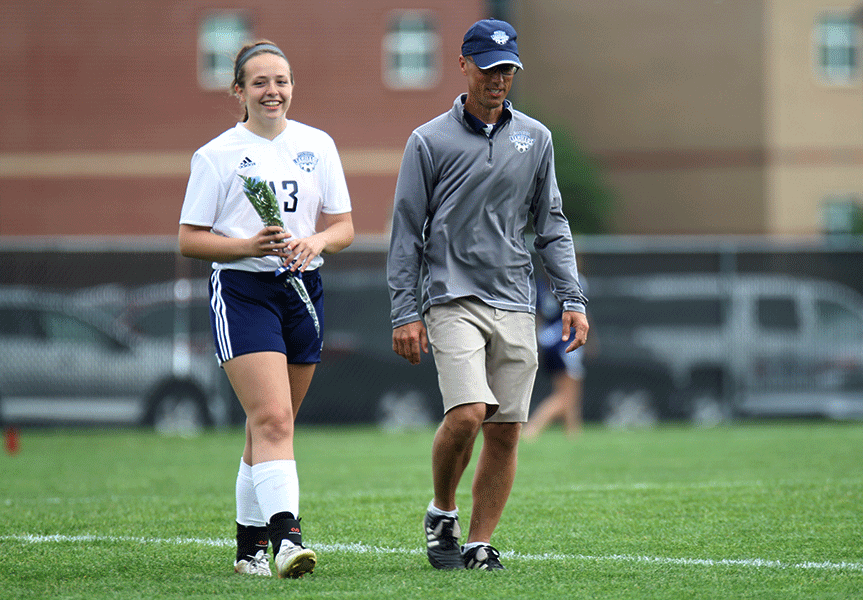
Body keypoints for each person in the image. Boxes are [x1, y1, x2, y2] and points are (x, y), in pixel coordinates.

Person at [387, 19, 588, 571]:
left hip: (516, 302)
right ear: (464, 65)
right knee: (469, 411)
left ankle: (478, 542)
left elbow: (551, 224)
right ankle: (442, 511)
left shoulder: (536, 138)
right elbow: (406, 231)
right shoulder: (428, 140)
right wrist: (406, 310)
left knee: (505, 431)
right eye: (489, 67)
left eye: (507, 69)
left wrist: (573, 298)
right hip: (451, 299)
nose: (499, 78)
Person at [178, 40, 354, 578]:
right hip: (243, 291)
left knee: (271, 426)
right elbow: (189, 239)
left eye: (281, 80)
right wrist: (247, 246)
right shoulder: (217, 155)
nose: (272, 91)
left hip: (302, 293)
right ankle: (286, 540)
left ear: (292, 86)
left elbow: (344, 227)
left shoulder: (317, 145)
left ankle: (248, 547)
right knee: (273, 418)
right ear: (239, 90)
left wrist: (316, 242)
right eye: (259, 82)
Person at [523, 275, 589, 440]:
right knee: (567, 396)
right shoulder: (575, 281)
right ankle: (532, 428)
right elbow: (582, 313)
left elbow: (538, 317)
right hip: (567, 343)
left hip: (548, 341)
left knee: (568, 392)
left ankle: (573, 434)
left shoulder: (540, 286)